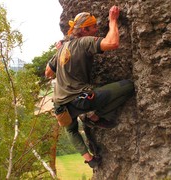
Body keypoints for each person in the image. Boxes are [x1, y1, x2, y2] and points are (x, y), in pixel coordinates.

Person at [45, 5, 134, 168]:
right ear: (84, 30)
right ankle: (95, 116)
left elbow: (48, 73)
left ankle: (90, 159)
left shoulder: (61, 49)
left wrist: (60, 58)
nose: (96, 29)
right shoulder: (84, 42)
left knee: (71, 130)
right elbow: (112, 43)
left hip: (60, 105)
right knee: (128, 86)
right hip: (81, 101)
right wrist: (113, 20)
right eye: (93, 27)